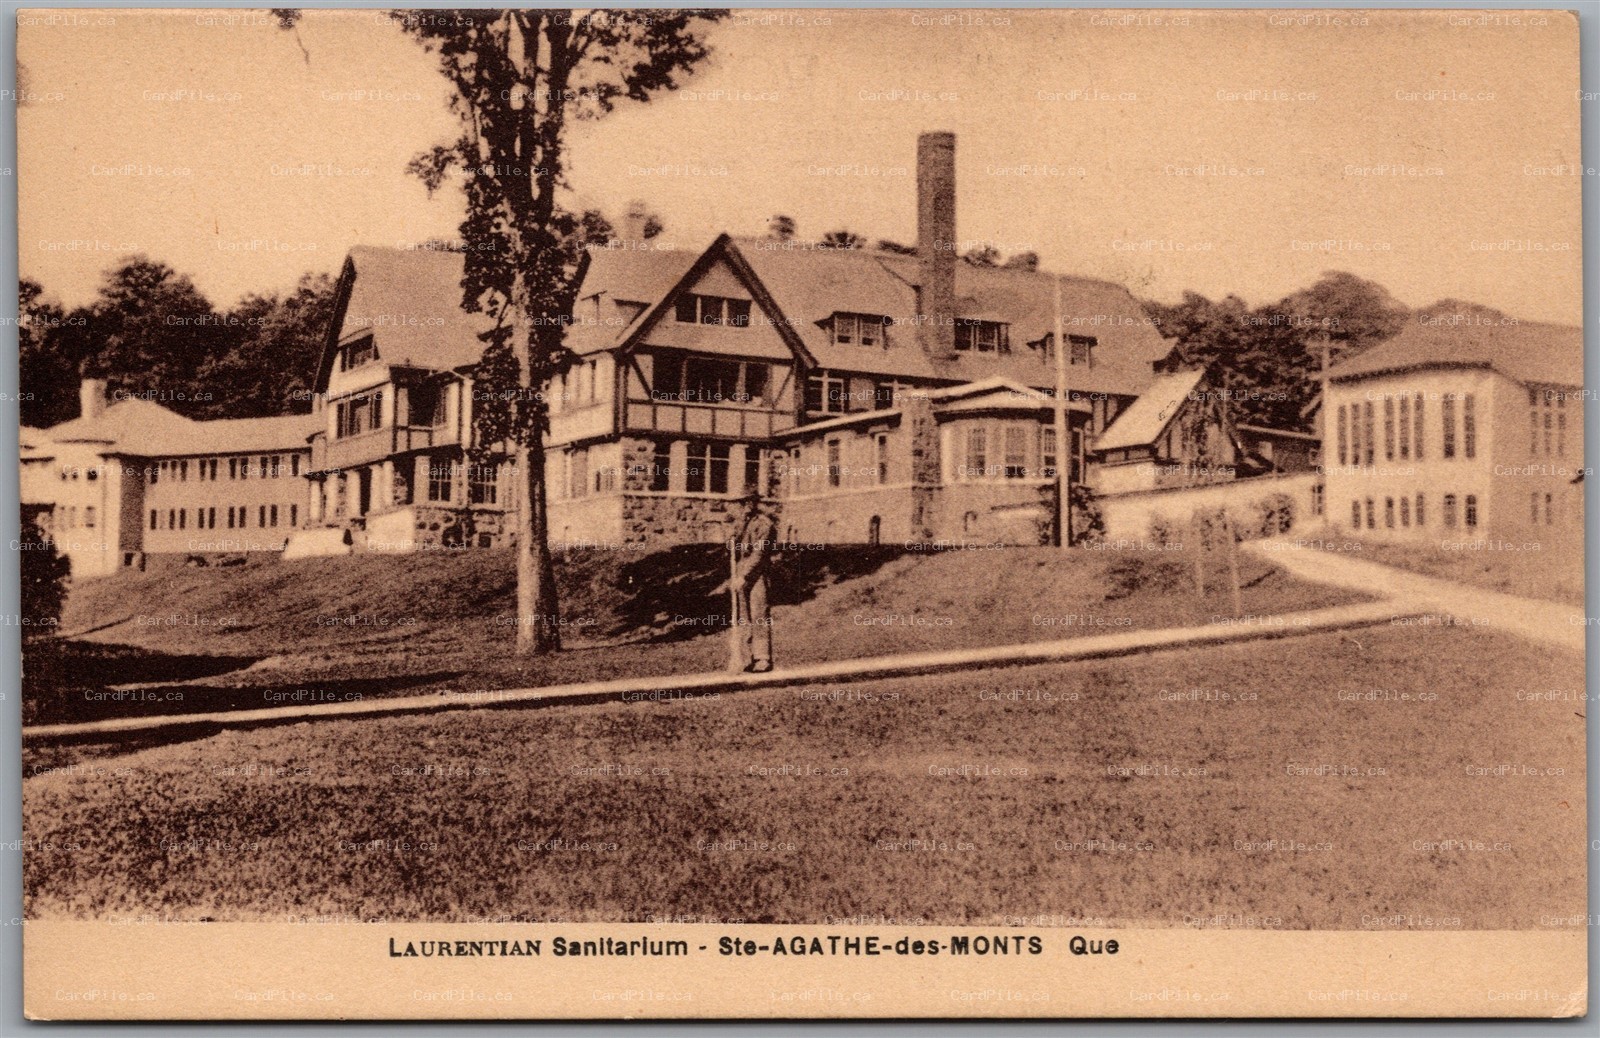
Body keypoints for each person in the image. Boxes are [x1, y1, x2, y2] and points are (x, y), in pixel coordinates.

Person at [729, 492, 777, 673]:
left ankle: (762, 658)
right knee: (743, 616)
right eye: (741, 503)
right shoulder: (741, 524)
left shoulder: (765, 524)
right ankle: (747, 657)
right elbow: (736, 550)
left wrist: (744, 576)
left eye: (745, 502)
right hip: (741, 574)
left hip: (757, 575)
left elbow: (759, 554)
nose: (742, 507)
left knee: (759, 614)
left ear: (753, 503)